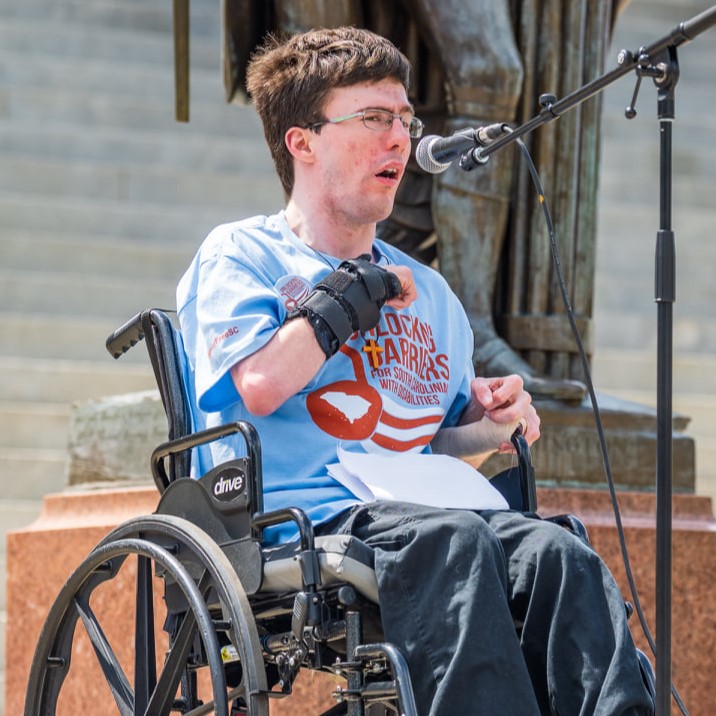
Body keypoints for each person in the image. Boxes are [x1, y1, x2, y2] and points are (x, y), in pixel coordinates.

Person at [177, 26, 653, 716]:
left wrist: (487, 424)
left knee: (558, 552)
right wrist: (346, 297)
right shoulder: (241, 254)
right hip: (299, 521)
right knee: (452, 541)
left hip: (416, 516)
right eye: (373, 118)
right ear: (301, 142)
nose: (400, 138)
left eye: (405, 119)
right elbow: (259, 385)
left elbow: (431, 443)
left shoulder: (431, 293)